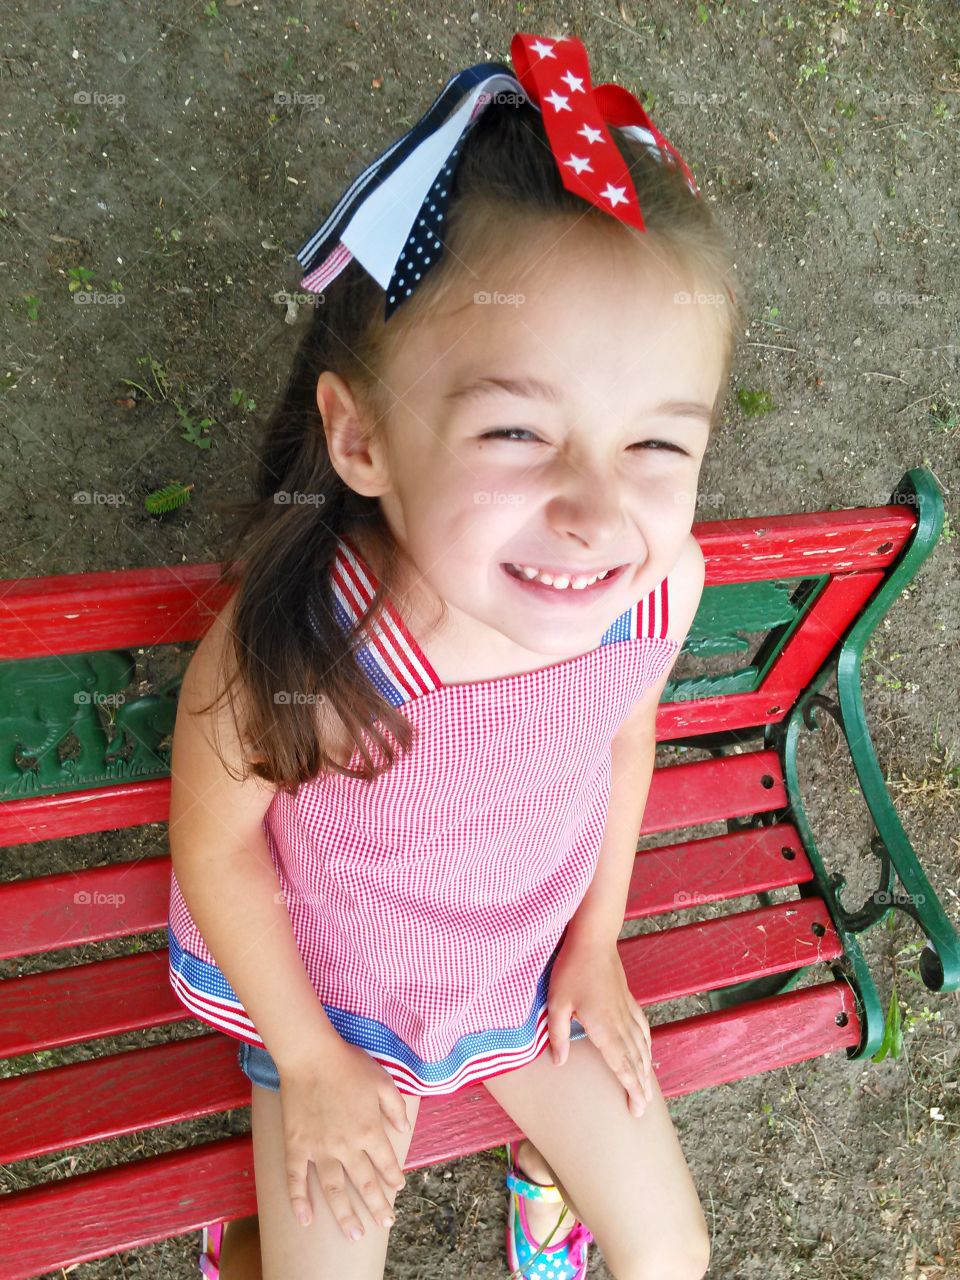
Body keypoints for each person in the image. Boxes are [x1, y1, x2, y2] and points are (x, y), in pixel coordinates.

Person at [168, 29, 741, 1280]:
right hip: (336, 1003)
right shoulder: (320, 645)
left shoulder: (652, 589)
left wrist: (596, 942)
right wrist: (313, 1064)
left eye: (658, 446)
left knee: (671, 1253)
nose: (597, 513)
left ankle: (547, 1168)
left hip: (527, 970)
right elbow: (214, 841)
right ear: (362, 439)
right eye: (521, 430)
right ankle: (257, 1230)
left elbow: (622, 733)